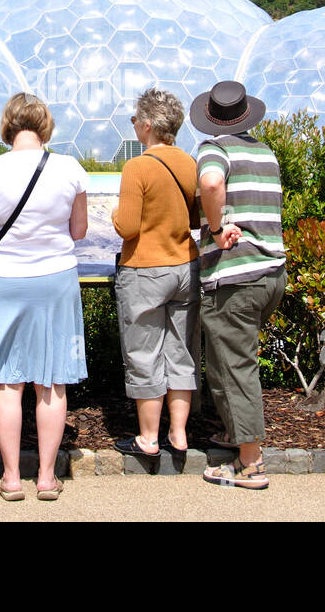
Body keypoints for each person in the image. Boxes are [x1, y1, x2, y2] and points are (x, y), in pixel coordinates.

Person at [0, 93, 88, 501]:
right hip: (55, 277)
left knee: (7, 379)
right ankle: (48, 478)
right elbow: (80, 230)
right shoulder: (69, 168)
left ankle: (12, 477)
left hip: (3, 280)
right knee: (51, 380)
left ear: (8, 126)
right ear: (45, 125)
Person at [189, 80, 287, 490]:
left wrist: (215, 227)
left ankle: (250, 463)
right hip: (271, 273)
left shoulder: (215, 149)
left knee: (235, 367)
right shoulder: (265, 152)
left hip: (235, 276)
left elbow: (211, 183)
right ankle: (235, 433)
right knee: (230, 359)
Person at [110, 87, 200, 459]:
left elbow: (127, 226)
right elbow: (195, 219)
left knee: (144, 354)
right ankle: (178, 434)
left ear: (146, 125)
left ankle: (148, 438)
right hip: (185, 266)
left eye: (134, 119)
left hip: (145, 270)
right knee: (181, 352)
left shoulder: (138, 166)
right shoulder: (190, 163)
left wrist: (113, 216)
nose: (133, 125)